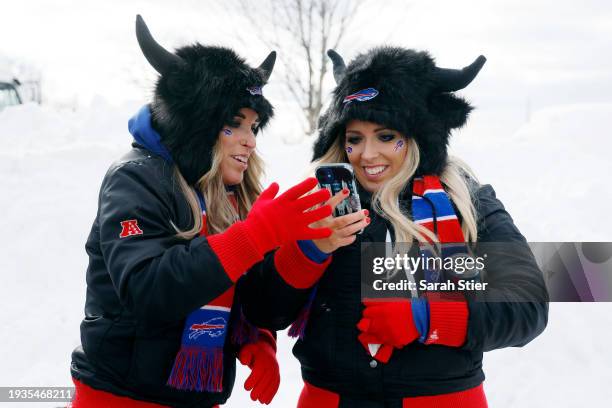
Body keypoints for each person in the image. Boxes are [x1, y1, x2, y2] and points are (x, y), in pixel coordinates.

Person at [242, 46, 549, 407]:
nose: (367, 154)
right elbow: (263, 310)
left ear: (418, 136)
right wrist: (309, 250)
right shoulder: (316, 205)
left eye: (386, 136)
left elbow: (528, 305)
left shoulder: (468, 202)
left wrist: (428, 318)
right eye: (354, 139)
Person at [69, 15, 338, 408]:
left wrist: (256, 336)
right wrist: (257, 235)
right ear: (196, 124)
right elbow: (149, 288)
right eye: (234, 125)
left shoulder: (230, 194)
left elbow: (251, 297)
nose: (250, 141)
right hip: (119, 396)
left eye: (254, 126)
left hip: (198, 399)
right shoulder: (135, 179)